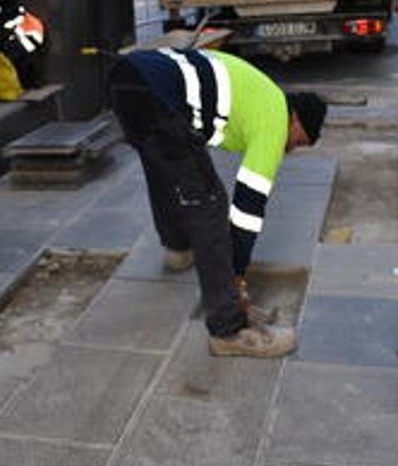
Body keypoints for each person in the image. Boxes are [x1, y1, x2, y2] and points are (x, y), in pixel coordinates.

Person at [108, 48, 327, 358]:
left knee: (166, 170)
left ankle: (178, 251)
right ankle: (229, 329)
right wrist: (236, 272)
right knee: (209, 206)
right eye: (299, 140)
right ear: (294, 118)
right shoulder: (275, 118)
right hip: (159, 95)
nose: (290, 149)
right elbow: (248, 206)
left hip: (127, 78)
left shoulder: (260, 93)